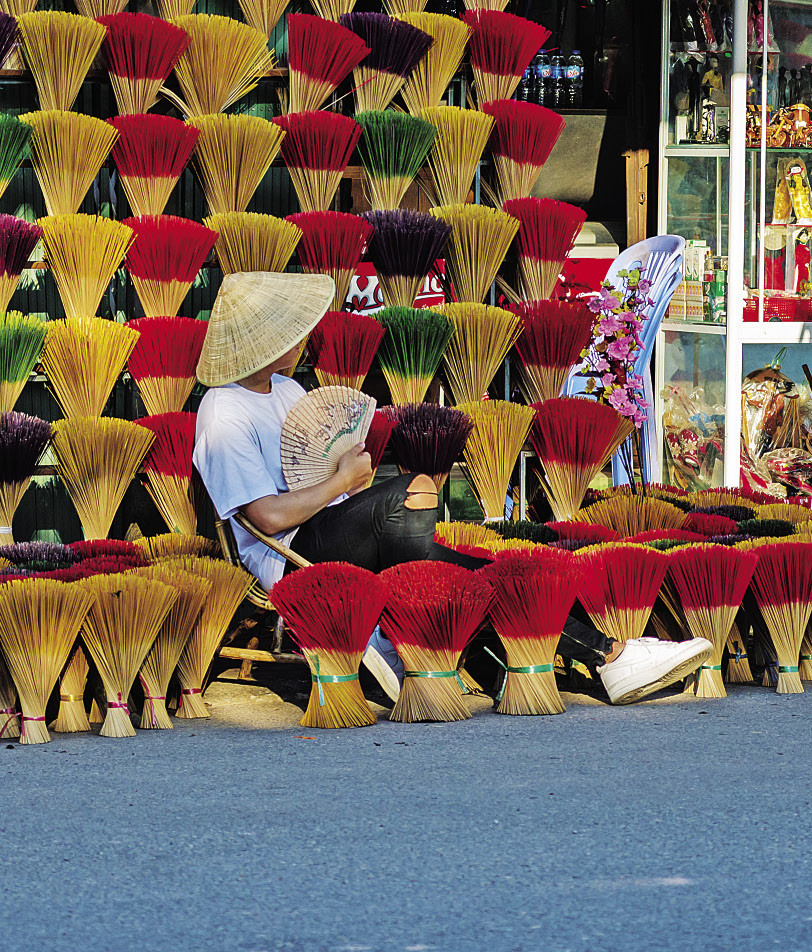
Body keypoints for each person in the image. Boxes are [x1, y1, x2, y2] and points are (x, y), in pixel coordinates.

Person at [191, 271, 709, 706]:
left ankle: (607, 654)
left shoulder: (286, 390)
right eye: (294, 329)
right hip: (288, 556)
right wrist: (344, 482)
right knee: (410, 493)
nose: (306, 336)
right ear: (268, 342)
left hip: (331, 527)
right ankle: (604, 657)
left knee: (437, 553)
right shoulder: (223, 411)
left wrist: (348, 482)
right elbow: (265, 520)